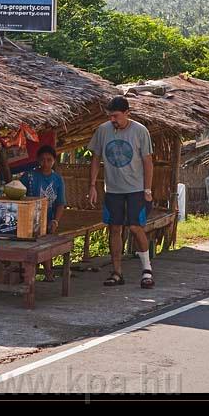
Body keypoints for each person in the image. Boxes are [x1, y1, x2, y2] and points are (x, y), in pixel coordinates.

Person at [87, 96, 155, 289]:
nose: (113, 120)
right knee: (114, 228)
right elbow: (95, 158)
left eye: (116, 116)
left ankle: (147, 269)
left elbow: (148, 162)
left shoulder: (140, 131)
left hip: (136, 189)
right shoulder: (103, 131)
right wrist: (92, 185)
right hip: (113, 190)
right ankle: (117, 272)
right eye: (110, 116)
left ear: (127, 113)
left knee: (135, 227)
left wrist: (147, 189)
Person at [21, 145, 67, 282]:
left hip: (48, 219)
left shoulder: (58, 179)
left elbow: (61, 203)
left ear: (54, 161)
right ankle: (29, 275)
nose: (45, 163)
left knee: (46, 247)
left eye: (49, 160)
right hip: (29, 219)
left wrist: (55, 221)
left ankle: (48, 272)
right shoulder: (29, 176)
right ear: (37, 160)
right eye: (42, 160)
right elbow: (18, 193)